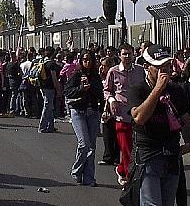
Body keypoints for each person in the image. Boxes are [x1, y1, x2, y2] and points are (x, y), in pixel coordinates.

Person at [129, 44, 190, 206]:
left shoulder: (177, 91)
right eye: (158, 66)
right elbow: (138, 117)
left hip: (171, 157)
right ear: (148, 67)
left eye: (166, 65)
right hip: (149, 157)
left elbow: (185, 118)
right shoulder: (138, 89)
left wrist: (189, 141)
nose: (163, 70)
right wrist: (157, 90)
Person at [104, 43, 143, 186]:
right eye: (124, 54)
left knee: (135, 147)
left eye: (129, 54)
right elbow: (107, 90)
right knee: (126, 148)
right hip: (121, 115)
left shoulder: (140, 71)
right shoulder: (113, 72)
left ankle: (121, 169)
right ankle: (129, 179)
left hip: (138, 115)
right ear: (119, 55)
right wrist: (112, 100)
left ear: (134, 55)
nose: (127, 57)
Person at [65, 51, 104, 186]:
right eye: (84, 60)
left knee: (92, 146)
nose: (87, 62)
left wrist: (102, 110)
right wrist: (81, 88)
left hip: (92, 112)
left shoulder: (96, 77)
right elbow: (68, 91)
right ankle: (76, 170)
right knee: (84, 143)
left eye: (90, 60)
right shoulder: (76, 75)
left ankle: (89, 177)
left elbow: (100, 94)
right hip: (78, 111)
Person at [38, 47, 60, 133]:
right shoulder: (51, 64)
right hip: (49, 87)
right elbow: (54, 77)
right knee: (47, 106)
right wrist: (58, 88)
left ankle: (50, 126)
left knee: (49, 106)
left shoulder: (42, 61)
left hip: (42, 86)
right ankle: (42, 126)